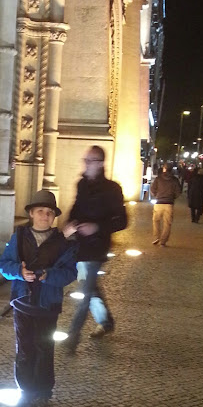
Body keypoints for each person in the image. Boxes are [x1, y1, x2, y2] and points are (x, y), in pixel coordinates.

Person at [0, 190, 77, 407]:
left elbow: (70, 273)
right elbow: (4, 265)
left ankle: (42, 393)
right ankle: (25, 390)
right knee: (24, 348)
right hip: (23, 302)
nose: (45, 215)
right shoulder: (20, 237)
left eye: (49, 212)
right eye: (40, 211)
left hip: (47, 305)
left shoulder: (63, 244)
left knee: (44, 348)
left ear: (54, 217)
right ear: (31, 213)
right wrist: (19, 272)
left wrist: (48, 276)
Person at [63, 146, 127, 353]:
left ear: (100, 163)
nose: (86, 164)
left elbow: (122, 221)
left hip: (97, 247)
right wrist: (70, 224)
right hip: (80, 246)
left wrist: (97, 227)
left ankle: (73, 337)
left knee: (85, 291)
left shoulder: (112, 189)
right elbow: (75, 208)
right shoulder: (81, 184)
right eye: (85, 160)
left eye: (90, 161)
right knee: (91, 288)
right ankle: (107, 322)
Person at [150, 162, 181, 245]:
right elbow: (178, 192)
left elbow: (152, 189)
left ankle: (157, 237)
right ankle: (163, 241)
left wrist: (157, 195)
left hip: (158, 203)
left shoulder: (158, 179)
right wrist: (172, 197)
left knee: (156, 221)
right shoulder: (175, 180)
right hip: (169, 204)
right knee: (167, 223)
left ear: (164, 169)